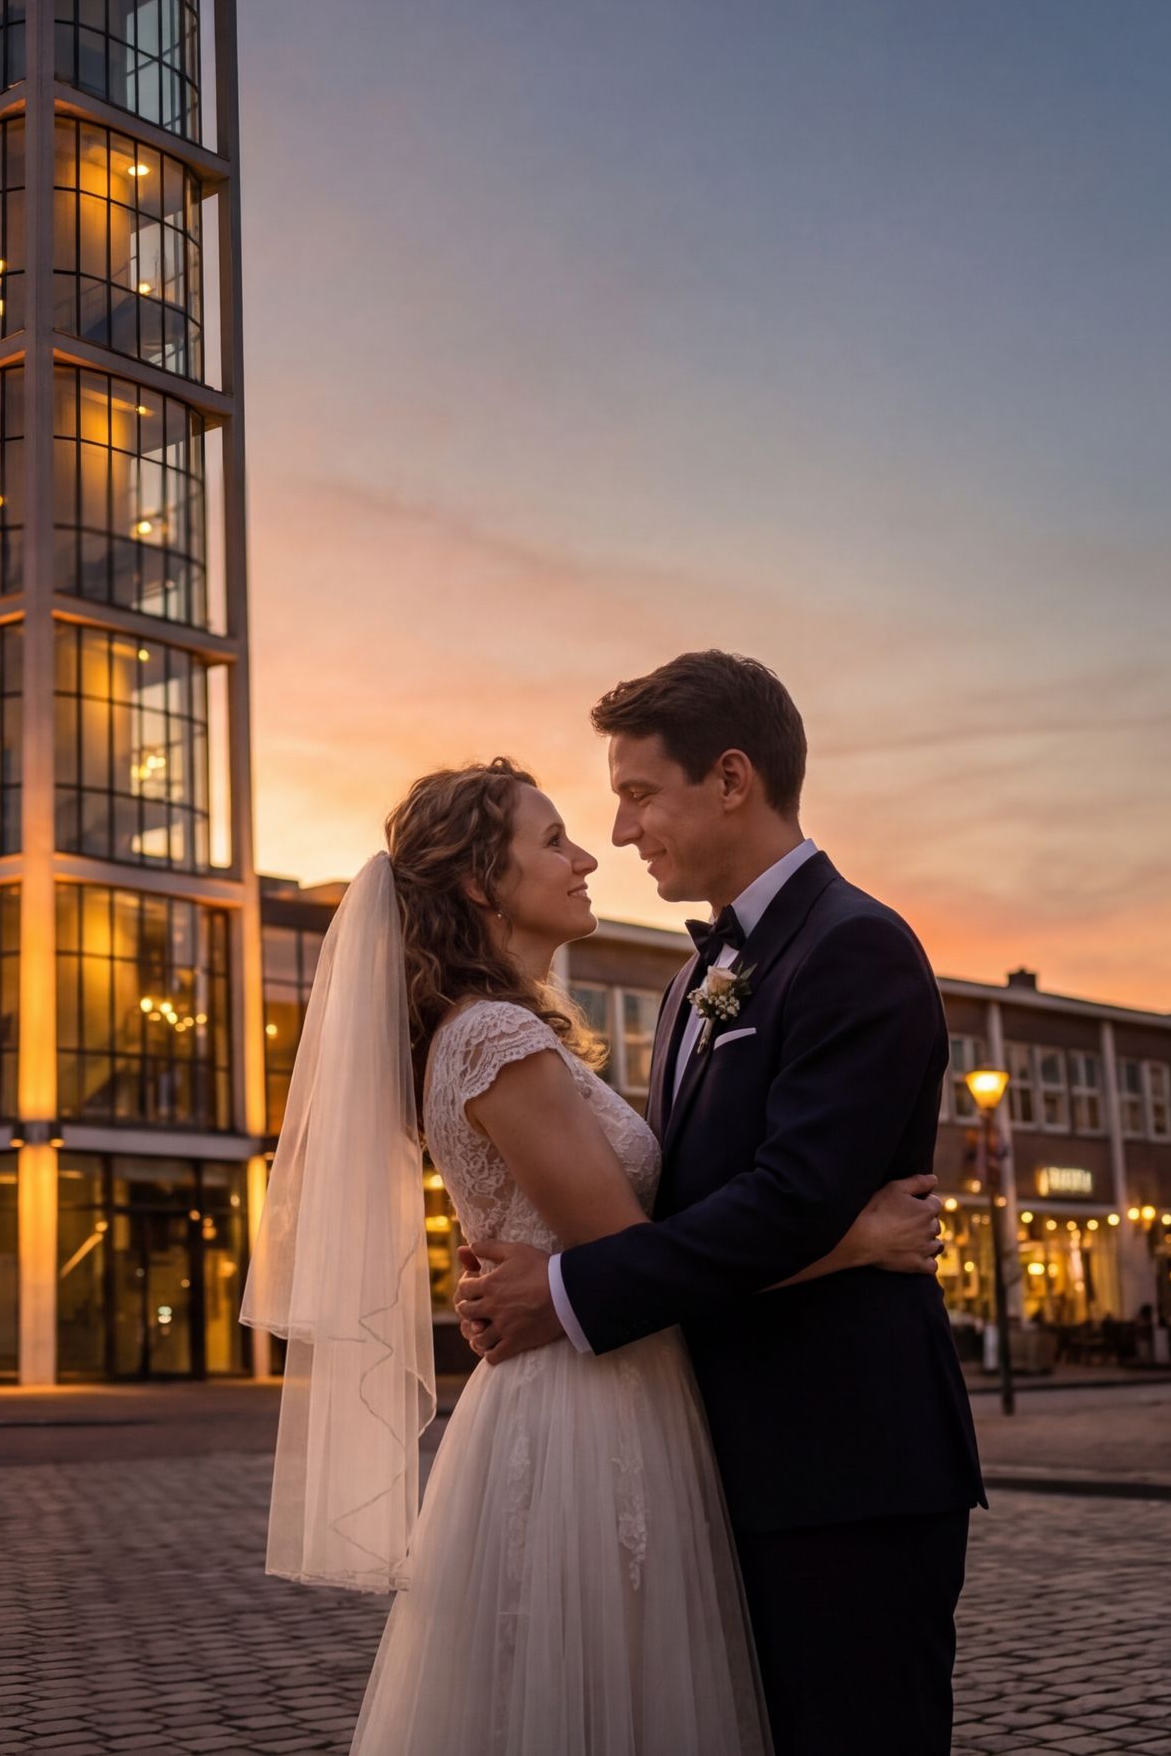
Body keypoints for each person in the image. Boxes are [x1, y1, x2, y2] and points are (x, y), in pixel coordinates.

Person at [243, 750, 945, 1754]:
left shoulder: (506, 1032)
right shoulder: (495, 1038)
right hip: (587, 1406)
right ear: (485, 881)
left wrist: (558, 1277)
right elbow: (629, 1253)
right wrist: (853, 1240)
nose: (590, 856)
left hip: (598, 1384)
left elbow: (615, 1244)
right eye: (554, 839)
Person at [455, 652, 987, 1756]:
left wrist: (566, 1291)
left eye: (641, 791)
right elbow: (705, 1204)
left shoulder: (857, 947)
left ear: (732, 778)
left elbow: (787, 1197)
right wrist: (850, 1240)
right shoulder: (692, 980)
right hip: (713, 1464)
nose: (622, 824)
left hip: (842, 1465)